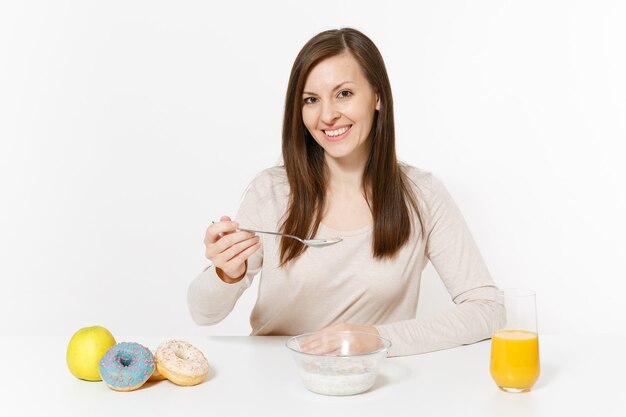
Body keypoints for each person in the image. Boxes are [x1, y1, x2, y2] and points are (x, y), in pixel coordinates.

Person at [188, 28, 500, 357]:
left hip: (374, 387)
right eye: (311, 100)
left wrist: (377, 339)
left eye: (344, 94)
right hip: (275, 385)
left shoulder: (422, 195)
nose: (327, 115)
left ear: (377, 97)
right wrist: (227, 272)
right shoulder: (273, 192)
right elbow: (203, 314)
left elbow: (488, 310)